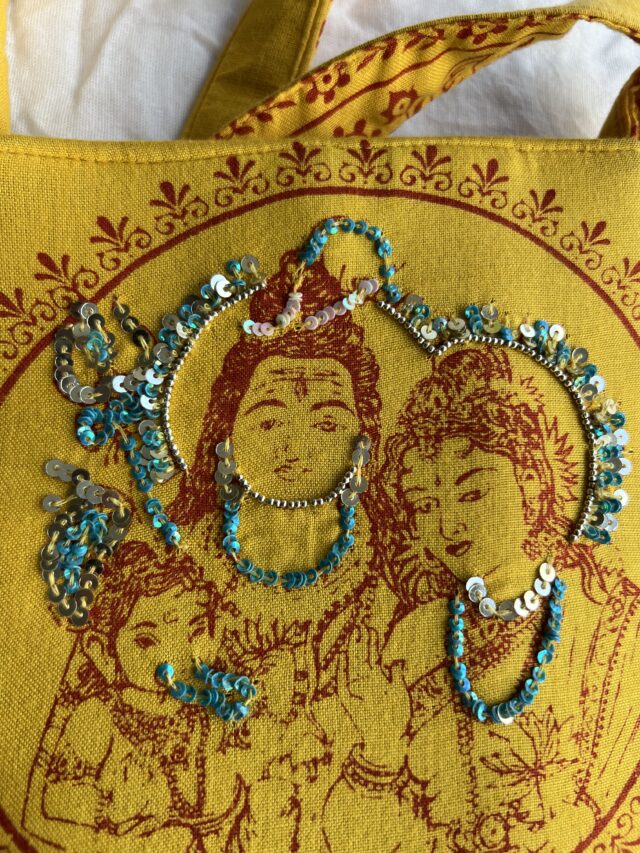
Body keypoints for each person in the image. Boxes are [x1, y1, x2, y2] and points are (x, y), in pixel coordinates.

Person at [324, 344, 640, 852]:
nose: (449, 527)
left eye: (473, 493)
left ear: (532, 483)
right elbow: (353, 828)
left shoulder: (613, 622)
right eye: (427, 505)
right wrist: (378, 754)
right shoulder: (409, 642)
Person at [22, 540, 251, 852]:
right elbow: (55, 798)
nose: (177, 655)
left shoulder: (193, 714)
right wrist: (108, 807)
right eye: (146, 641)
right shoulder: (97, 716)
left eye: (195, 632)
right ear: (102, 651)